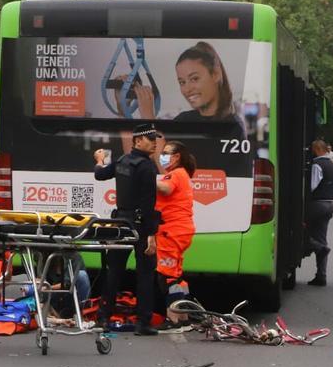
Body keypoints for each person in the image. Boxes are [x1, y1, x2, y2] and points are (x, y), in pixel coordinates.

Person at [93, 122, 160, 335]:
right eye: (151, 139)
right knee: (145, 274)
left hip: (120, 223)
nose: (155, 144)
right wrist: (151, 234)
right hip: (140, 225)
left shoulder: (122, 161)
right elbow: (149, 204)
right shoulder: (147, 167)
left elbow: (100, 174)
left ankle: (103, 317)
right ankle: (143, 323)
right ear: (138, 140)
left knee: (114, 272)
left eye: (155, 140)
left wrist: (100, 160)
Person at [136, 41, 246, 140]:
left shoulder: (233, 128)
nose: (187, 89)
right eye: (182, 82)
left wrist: (147, 117)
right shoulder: (183, 120)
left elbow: (163, 159)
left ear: (216, 74)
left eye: (194, 79)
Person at [154, 140, 198, 321]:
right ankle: (184, 317)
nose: (162, 156)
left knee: (167, 276)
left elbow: (165, 189)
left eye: (166, 153)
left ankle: (173, 320)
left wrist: (147, 177)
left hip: (171, 232)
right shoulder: (182, 174)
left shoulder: (176, 174)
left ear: (177, 156)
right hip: (180, 231)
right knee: (177, 276)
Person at [305, 139, 333, 286]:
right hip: (329, 204)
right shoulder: (332, 165)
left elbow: (311, 187)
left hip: (317, 205)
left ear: (317, 149)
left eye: (312, 149)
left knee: (296, 230)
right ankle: (321, 276)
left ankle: (320, 249)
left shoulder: (317, 165)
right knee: (321, 238)